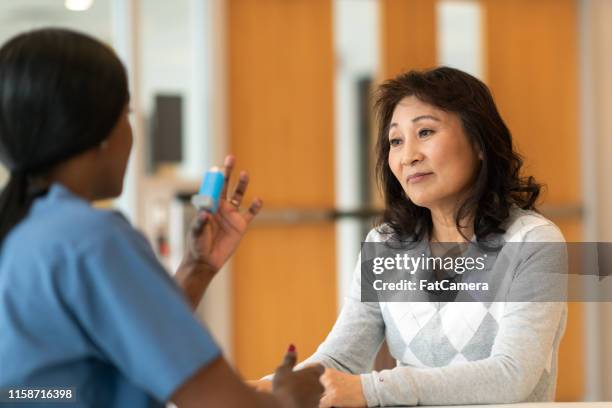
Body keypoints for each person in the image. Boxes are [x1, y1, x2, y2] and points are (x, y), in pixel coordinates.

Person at [0, 28, 323, 408]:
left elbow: (121, 348)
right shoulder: (91, 238)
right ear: (99, 131)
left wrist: (197, 267)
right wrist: (289, 396)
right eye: (127, 113)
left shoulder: (25, 232)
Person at [253, 66, 567, 407]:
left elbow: (513, 375)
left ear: (480, 143)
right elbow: (342, 358)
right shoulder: (384, 245)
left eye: (426, 132)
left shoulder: (535, 243)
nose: (408, 156)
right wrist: (262, 389)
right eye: (396, 141)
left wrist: (373, 390)